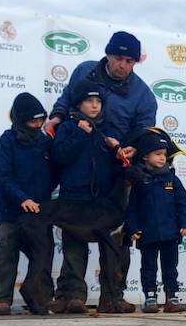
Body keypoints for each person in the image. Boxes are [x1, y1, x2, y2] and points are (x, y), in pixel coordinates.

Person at [47, 30, 156, 310]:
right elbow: (66, 99)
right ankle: (71, 296)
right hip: (78, 160)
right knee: (73, 229)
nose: (123, 65)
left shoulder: (143, 94)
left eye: (130, 61)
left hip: (114, 169)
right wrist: (57, 118)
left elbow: (144, 133)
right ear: (107, 55)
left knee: (118, 235)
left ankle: (114, 295)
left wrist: (134, 149)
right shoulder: (84, 71)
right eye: (119, 58)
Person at [49, 87, 130, 313]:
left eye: (98, 101)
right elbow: (59, 157)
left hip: (103, 203)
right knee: (74, 249)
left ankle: (111, 298)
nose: (94, 105)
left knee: (110, 251)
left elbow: (119, 170)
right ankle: (74, 296)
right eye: (89, 101)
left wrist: (118, 151)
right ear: (78, 105)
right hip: (74, 199)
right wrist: (79, 133)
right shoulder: (67, 127)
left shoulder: (108, 131)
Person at [0, 92, 55, 315]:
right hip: (12, 213)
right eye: (32, 121)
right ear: (19, 120)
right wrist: (22, 198)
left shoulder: (46, 143)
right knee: (8, 255)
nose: (37, 125)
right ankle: (3, 301)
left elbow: (55, 173)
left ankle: (43, 299)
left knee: (44, 256)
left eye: (40, 120)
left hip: (39, 214)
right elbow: (3, 178)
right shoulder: (4, 144)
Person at [125, 130, 186, 314]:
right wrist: (133, 228)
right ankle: (150, 297)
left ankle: (172, 297)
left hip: (171, 234)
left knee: (170, 267)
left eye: (164, 154)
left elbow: (182, 203)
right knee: (148, 267)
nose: (163, 158)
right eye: (158, 154)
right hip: (148, 234)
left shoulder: (172, 179)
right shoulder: (139, 181)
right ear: (145, 156)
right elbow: (132, 208)